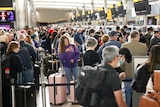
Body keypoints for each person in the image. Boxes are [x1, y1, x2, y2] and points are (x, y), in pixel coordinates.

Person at [121, 30, 147, 107]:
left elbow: (122, 61)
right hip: (139, 75)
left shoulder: (124, 46)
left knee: (127, 93)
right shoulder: (143, 46)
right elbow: (144, 60)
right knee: (138, 95)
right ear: (137, 37)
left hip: (127, 74)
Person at [2, 41, 23, 107]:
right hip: (12, 78)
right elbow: (20, 69)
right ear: (15, 48)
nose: (19, 49)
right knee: (12, 95)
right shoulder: (15, 57)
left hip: (3, 79)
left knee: (5, 96)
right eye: (18, 48)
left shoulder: (4, 55)